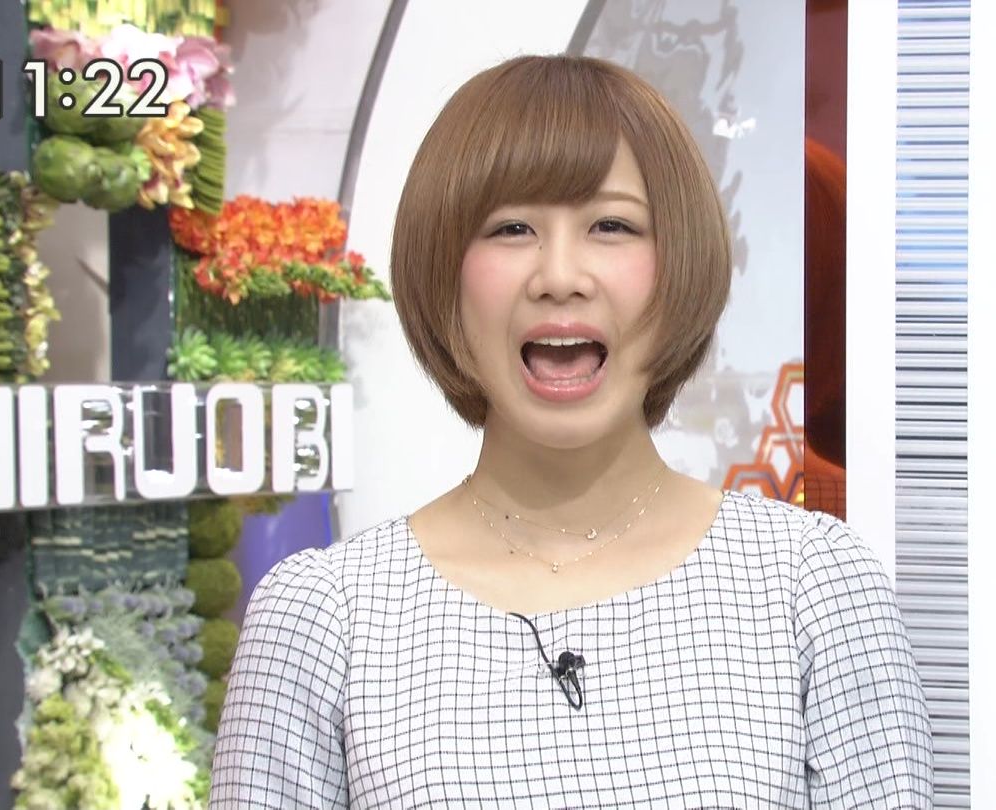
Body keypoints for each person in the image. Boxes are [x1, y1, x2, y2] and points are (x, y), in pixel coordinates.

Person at [210, 54, 933, 808]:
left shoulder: (813, 585)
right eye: (511, 228)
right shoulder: (324, 616)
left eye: (611, 226)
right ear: (443, 274)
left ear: (680, 267)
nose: (560, 276)